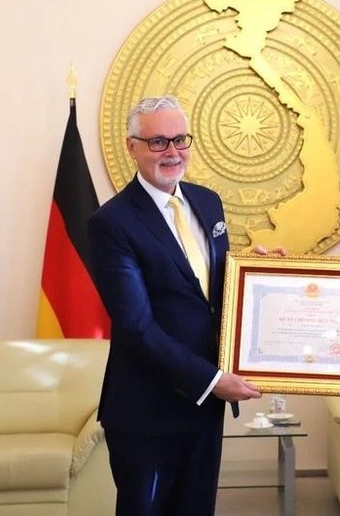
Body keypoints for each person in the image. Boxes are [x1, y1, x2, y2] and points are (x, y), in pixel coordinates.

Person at [88, 96, 264, 515]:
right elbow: (136, 326)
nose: (173, 152)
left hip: (205, 404)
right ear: (131, 147)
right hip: (146, 409)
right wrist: (211, 380)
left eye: (180, 139)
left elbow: (209, 289)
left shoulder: (207, 202)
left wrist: (254, 274)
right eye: (158, 142)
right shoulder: (111, 223)